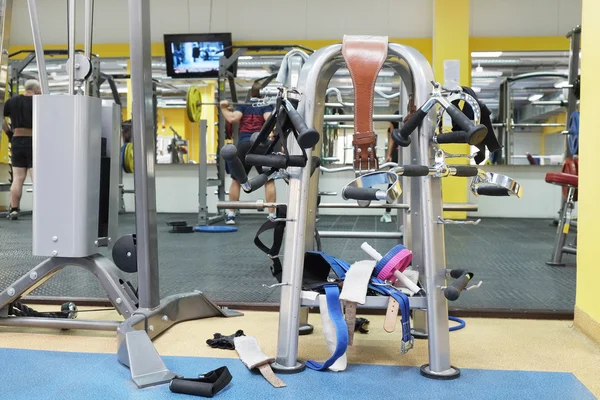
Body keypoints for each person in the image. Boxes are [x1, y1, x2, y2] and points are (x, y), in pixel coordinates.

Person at [219, 86, 276, 225]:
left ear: (250, 94)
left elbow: (233, 118)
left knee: (237, 180)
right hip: (260, 144)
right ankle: (272, 215)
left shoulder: (243, 106)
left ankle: (231, 215)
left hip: (244, 145)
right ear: (263, 95)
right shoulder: (265, 106)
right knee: (268, 180)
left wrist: (223, 108)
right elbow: (269, 120)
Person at [2, 79, 41, 220]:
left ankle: (13, 210)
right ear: (36, 91)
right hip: (34, 141)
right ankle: (40, 209)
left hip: (17, 140)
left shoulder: (12, 102)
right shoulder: (39, 102)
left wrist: (8, 133)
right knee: (37, 178)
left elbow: (1, 118)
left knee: (18, 178)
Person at [382, 112, 400, 223]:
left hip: (396, 154)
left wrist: (388, 154)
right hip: (408, 153)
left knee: (393, 183)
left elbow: (392, 139)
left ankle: (387, 213)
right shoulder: (406, 116)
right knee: (400, 182)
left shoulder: (394, 117)